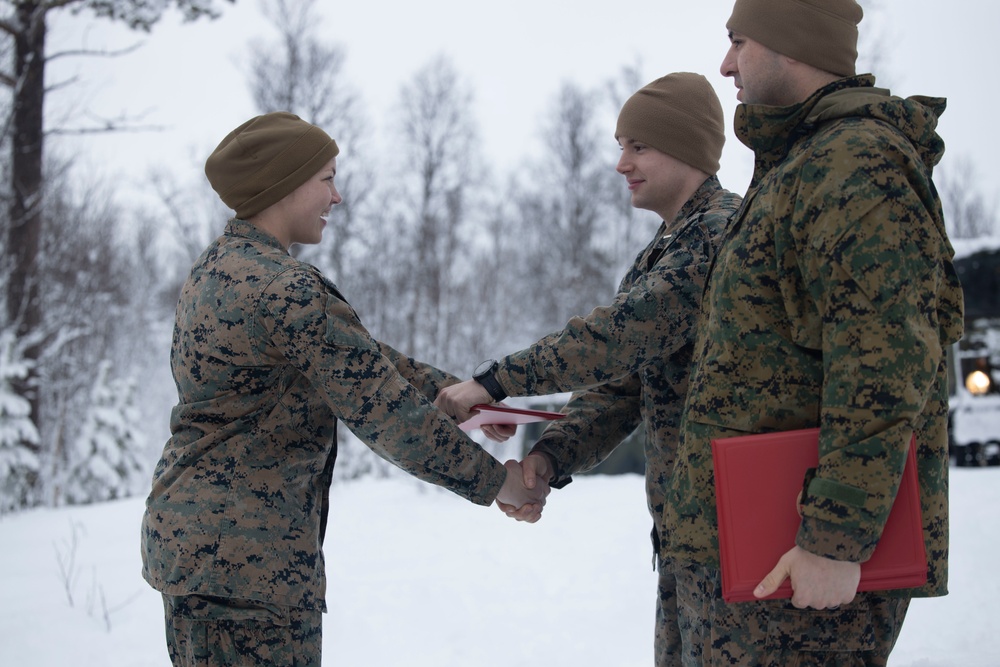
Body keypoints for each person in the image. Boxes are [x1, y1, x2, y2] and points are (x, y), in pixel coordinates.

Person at [139, 111, 548, 666]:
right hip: (246, 574)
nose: (338, 196)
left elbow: (362, 360)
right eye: (327, 178)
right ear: (284, 184)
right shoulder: (286, 290)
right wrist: (497, 482)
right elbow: (382, 410)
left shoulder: (220, 269)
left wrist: (460, 395)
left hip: (206, 556)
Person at [661, 1, 965, 665]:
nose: (726, 63)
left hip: (802, 578)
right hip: (753, 560)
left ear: (788, 43)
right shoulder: (797, 163)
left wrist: (835, 535)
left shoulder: (856, 163)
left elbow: (887, 360)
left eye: (738, 41)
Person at [434, 73, 741, 667]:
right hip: (688, 541)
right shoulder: (670, 245)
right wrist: (549, 457)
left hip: (736, 539)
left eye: (638, 145)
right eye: (620, 145)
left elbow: (615, 339)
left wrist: (494, 381)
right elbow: (621, 388)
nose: (621, 163)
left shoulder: (717, 234)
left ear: (687, 148)